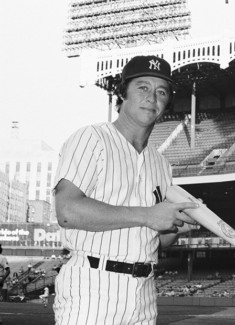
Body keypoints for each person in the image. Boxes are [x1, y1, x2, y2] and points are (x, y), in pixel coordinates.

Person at [53, 55, 200, 325]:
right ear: (123, 94)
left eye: (161, 91)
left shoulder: (162, 164)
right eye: (142, 87)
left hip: (144, 291)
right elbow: (67, 211)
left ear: (167, 102)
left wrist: (177, 227)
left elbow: (156, 238)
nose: (152, 97)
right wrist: (147, 215)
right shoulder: (91, 138)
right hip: (92, 286)